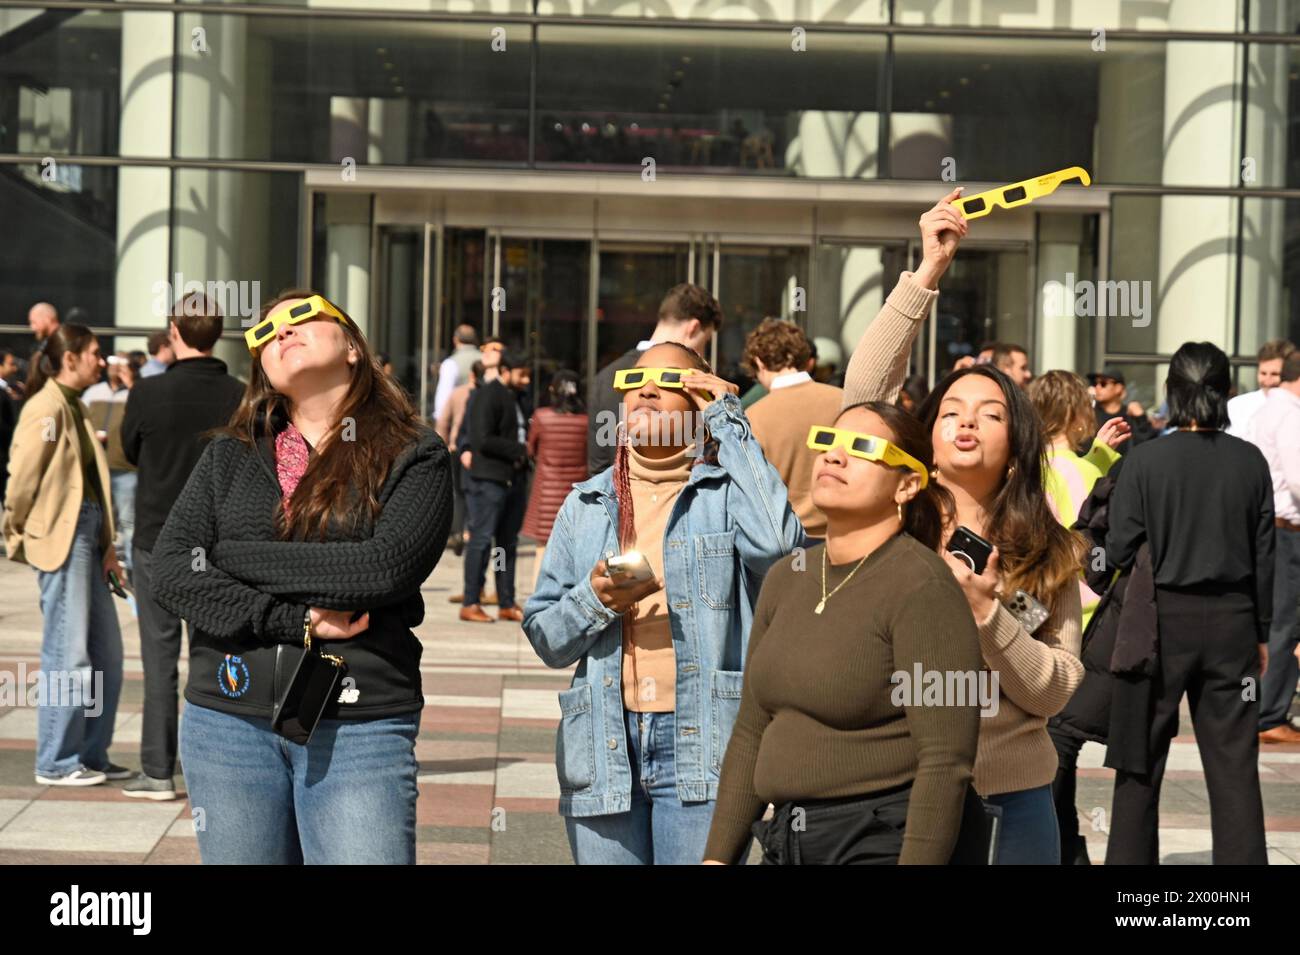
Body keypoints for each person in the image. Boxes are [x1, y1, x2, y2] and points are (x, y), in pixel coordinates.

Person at [149, 290, 453, 864]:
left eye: (302, 316)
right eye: (264, 333)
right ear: (260, 366)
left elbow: (382, 568)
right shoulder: (229, 456)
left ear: (353, 347)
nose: (281, 331)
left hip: (358, 717)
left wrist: (231, 557)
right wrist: (295, 617)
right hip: (227, 716)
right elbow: (171, 569)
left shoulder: (414, 452)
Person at [841, 187, 1085, 864]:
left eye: (989, 412)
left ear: (1018, 439)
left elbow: (1058, 684)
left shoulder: (1050, 549)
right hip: (901, 792)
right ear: (929, 433)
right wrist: (926, 274)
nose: (966, 421)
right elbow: (864, 399)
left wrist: (992, 618)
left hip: (1015, 804)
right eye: (950, 410)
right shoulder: (903, 512)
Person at [523, 342, 802, 864]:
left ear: (698, 400)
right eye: (635, 382)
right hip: (603, 740)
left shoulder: (722, 496)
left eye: (669, 380)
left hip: (703, 742)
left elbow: (780, 546)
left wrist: (729, 421)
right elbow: (545, 636)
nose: (646, 389)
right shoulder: (585, 504)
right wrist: (595, 600)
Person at [704, 401, 983, 865]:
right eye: (827, 442)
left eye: (861, 448)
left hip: (878, 837)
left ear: (908, 484)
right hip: (787, 838)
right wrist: (716, 858)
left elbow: (946, 760)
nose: (834, 456)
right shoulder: (787, 575)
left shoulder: (924, 586)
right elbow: (752, 729)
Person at [1104, 341, 1272, 865]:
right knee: (1234, 761)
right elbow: (1264, 555)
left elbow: (1119, 549)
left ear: (1172, 392)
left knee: (1141, 757)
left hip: (1158, 623)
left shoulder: (1146, 460)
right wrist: (1262, 634)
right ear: (1225, 392)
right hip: (1234, 625)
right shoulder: (1250, 461)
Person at [118, 293, 245, 800]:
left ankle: (156, 771)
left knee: (159, 656)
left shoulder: (147, 393)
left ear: (173, 330)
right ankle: (215, 769)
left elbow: (128, 451)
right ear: (217, 333)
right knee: (212, 656)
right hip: (218, 544)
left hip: (156, 539)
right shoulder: (240, 394)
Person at [3, 324, 125, 786]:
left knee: (107, 656)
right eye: (95, 352)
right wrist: (16, 529)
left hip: (89, 536)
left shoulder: (74, 404)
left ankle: (91, 755)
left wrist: (108, 545)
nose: (102, 359)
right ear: (70, 357)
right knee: (67, 652)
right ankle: (56, 760)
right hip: (64, 534)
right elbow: (22, 476)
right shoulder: (47, 406)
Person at [1027, 370, 1131, 628]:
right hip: (1079, 615)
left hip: (1034, 607)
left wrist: (1098, 458)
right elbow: (1091, 544)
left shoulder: (1027, 466)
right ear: (1077, 416)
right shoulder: (1080, 473)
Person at [587, 284, 721, 476]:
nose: (647, 390)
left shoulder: (605, 376)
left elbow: (597, 463)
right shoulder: (694, 379)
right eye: (705, 341)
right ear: (694, 328)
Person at [743, 318, 842, 541]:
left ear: (758, 362)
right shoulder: (843, 401)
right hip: (841, 533)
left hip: (784, 538)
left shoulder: (753, 416)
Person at [1249, 349, 1300, 745]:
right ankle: (1270, 714)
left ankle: (1263, 708)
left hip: (1265, 526)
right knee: (1285, 622)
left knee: (1273, 620)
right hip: (1287, 530)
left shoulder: (1263, 411)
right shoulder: (1290, 414)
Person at [461, 349, 532, 623]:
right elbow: (482, 439)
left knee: (506, 544)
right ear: (505, 371)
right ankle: (471, 600)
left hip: (512, 479)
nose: (526, 380)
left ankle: (505, 600)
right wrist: (521, 450)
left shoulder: (520, 397)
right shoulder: (488, 395)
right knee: (481, 540)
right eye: (521, 374)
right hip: (489, 480)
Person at [522, 370, 588, 588]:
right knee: (573, 549)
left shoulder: (541, 416)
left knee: (542, 548)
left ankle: (535, 596)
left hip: (545, 493)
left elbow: (530, 449)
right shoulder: (586, 421)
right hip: (574, 492)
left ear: (552, 390)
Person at [83, 353, 137, 578]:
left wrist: (131, 385)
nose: (115, 367)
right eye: (112, 362)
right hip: (97, 467)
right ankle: (97, 564)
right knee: (99, 519)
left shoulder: (134, 393)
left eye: (121, 363)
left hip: (125, 466)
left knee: (128, 521)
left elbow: (143, 415)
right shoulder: (93, 393)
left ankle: (132, 569)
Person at [437, 359, 484, 557]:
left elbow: (443, 420)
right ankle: (469, 531)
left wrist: (443, 445)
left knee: (459, 492)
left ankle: (458, 532)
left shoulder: (458, 393)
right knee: (477, 493)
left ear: (472, 375)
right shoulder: (487, 394)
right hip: (480, 452)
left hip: (457, 449)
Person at [1228, 339, 1296, 439]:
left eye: (1275, 374)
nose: (1267, 380)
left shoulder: (1295, 408)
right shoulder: (1237, 406)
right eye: (1263, 373)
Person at [1088, 366, 1154, 454]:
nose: (1097, 387)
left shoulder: (1130, 414)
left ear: (1118, 388)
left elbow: (1147, 446)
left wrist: (1141, 417)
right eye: (1094, 383)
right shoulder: (1090, 413)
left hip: (1125, 467)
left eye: (1103, 383)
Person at [433, 324, 482, 422]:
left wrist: (440, 420)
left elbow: (443, 397)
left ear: (455, 340)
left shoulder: (450, 363)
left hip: (460, 420)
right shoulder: (484, 358)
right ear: (475, 340)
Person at [25, 302, 60, 394]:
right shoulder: (46, 342)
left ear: (47, 319)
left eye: (34, 322)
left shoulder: (61, 342)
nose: (32, 328)